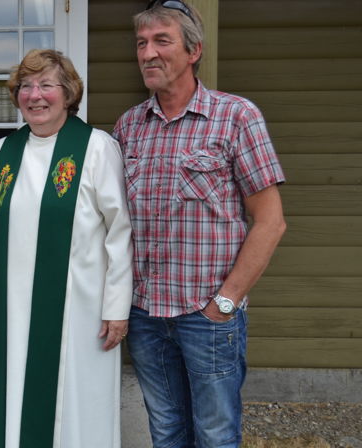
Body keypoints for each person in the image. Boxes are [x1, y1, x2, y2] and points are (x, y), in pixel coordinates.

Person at [112, 2, 287, 447]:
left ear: (194, 51)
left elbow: (270, 222)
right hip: (146, 315)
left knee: (215, 435)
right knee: (167, 433)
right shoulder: (129, 127)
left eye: (161, 41)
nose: (148, 53)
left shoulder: (236, 117)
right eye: (141, 43)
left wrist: (226, 302)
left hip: (207, 316)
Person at [0, 49, 133, 448]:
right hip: (9, 312)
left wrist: (116, 307)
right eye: (26, 86)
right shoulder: (0, 155)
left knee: (74, 413)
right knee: (10, 403)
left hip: (78, 313)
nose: (35, 95)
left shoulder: (96, 148)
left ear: (68, 94)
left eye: (46, 85)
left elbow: (120, 231)